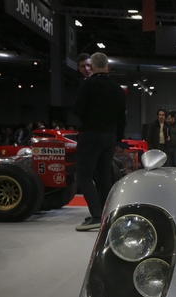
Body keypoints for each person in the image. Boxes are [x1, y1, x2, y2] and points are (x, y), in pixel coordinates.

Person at [71, 52, 126, 231]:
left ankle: (96, 215)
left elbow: (77, 109)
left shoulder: (88, 85)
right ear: (108, 67)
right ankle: (107, 215)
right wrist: (118, 139)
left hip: (90, 135)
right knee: (104, 177)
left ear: (92, 67)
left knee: (84, 176)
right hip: (109, 137)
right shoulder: (117, 88)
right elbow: (122, 118)